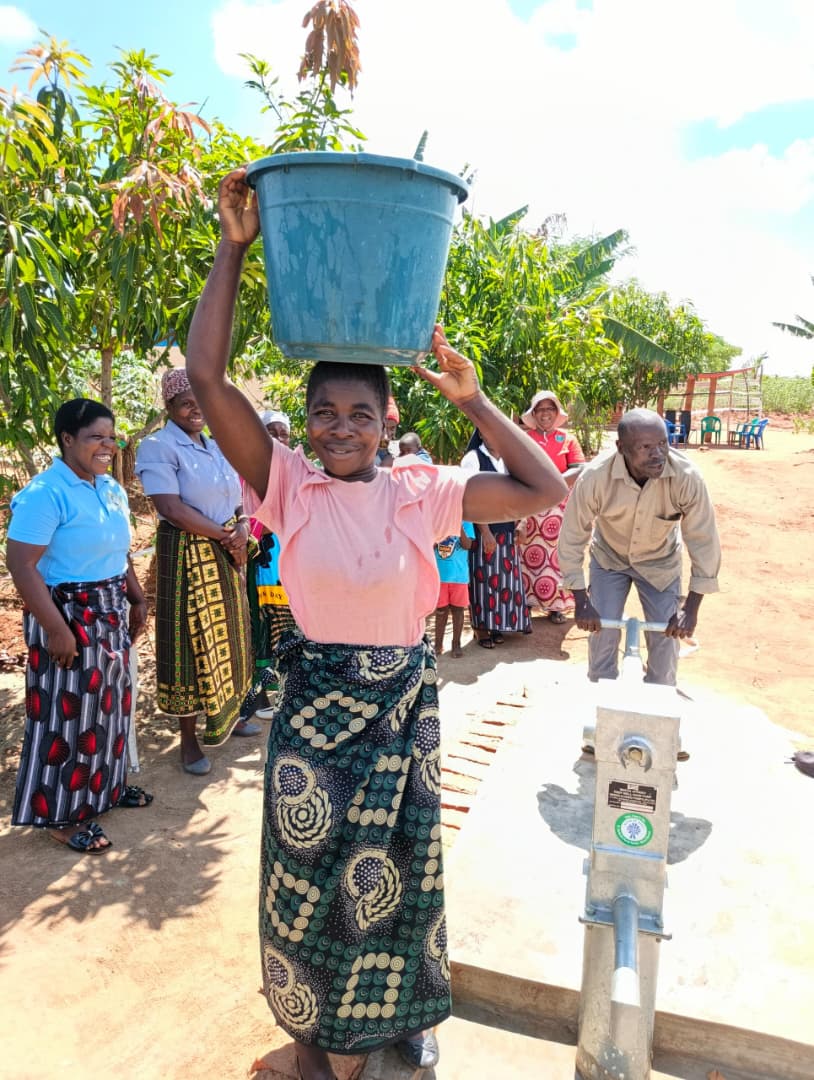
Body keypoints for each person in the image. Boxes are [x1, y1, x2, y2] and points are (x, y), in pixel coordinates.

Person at [184, 166, 567, 1080]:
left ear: (390, 416)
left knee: (400, 878)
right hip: (315, 710)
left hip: (399, 707)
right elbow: (205, 373)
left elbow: (545, 489)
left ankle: (398, 1022)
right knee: (306, 885)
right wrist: (233, 249)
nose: (342, 427)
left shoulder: (422, 493)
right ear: (307, 425)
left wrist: (474, 402)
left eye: (362, 412)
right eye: (326, 413)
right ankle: (316, 1039)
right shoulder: (288, 486)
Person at [6, 398, 151, 855]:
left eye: (111, 437)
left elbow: (119, 550)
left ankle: (105, 790)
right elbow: (21, 564)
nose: (107, 446)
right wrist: (56, 628)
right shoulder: (45, 493)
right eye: (95, 437)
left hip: (108, 609)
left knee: (110, 708)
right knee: (66, 715)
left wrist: (137, 596)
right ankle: (63, 815)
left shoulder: (109, 488)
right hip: (67, 612)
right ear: (67, 439)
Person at [135, 369, 255, 777]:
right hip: (186, 554)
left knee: (232, 635)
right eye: (185, 402)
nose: (195, 409)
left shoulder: (217, 445)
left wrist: (240, 528)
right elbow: (171, 508)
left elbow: (235, 500)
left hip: (224, 548)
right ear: (168, 407)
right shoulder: (157, 446)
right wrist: (226, 535)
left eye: (199, 399)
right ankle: (188, 740)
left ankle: (231, 716)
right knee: (189, 642)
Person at [559, 408, 721, 687]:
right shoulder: (596, 477)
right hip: (609, 558)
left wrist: (691, 607)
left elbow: (703, 540)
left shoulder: (687, 477)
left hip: (660, 561)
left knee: (665, 635)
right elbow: (573, 535)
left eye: (662, 443)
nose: (657, 454)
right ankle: (602, 699)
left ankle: (658, 702)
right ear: (621, 448)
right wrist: (582, 601)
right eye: (645, 447)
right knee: (603, 629)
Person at [239, 409, 296, 724]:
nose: (278, 438)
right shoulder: (248, 468)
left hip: (286, 560)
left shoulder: (292, 471)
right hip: (260, 556)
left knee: (287, 628)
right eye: (271, 432)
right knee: (261, 626)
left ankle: (284, 693)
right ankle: (259, 695)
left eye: (283, 432)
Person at [516, 391, 586, 624]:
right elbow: (516, 466)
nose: (545, 414)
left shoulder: (568, 439)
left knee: (557, 555)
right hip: (530, 504)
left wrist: (554, 483)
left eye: (550, 409)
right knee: (527, 553)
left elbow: (578, 468)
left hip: (559, 506)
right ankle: (528, 602)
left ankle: (557, 606)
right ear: (533, 414)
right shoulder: (523, 438)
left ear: (556, 413)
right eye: (540, 409)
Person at [461, 430, 531, 648]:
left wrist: (522, 522)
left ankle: (497, 625)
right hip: (485, 528)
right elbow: (470, 499)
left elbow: (521, 492)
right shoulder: (472, 459)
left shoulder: (508, 460)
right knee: (483, 580)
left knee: (504, 580)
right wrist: (484, 531)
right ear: (482, 434)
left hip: (508, 527)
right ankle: (482, 629)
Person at [433, 524, 475, 657]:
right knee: (440, 611)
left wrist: (458, 525)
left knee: (458, 611)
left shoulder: (466, 522)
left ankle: (456, 644)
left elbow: (467, 545)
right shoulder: (438, 520)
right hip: (440, 576)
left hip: (459, 576)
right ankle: (438, 644)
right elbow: (430, 544)